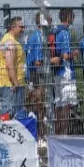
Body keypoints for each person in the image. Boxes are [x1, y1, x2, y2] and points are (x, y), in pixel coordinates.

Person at [25, 12, 51, 143]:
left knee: (37, 105)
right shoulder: (40, 36)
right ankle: (41, 135)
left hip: (32, 75)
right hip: (37, 75)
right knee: (40, 105)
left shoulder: (34, 35)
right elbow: (38, 61)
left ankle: (39, 134)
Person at [52, 8, 78, 134]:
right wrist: (74, 53)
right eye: (72, 16)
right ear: (68, 17)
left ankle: (58, 133)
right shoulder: (65, 33)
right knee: (66, 105)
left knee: (59, 103)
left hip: (58, 72)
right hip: (66, 72)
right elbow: (66, 55)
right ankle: (64, 133)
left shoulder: (56, 31)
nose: (73, 18)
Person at [0, 16, 27, 120]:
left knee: (14, 116)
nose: (23, 29)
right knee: (10, 116)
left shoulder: (12, 40)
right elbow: (9, 65)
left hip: (12, 84)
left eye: (24, 27)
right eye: (21, 27)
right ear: (13, 27)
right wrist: (16, 83)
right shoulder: (10, 41)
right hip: (11, 85)